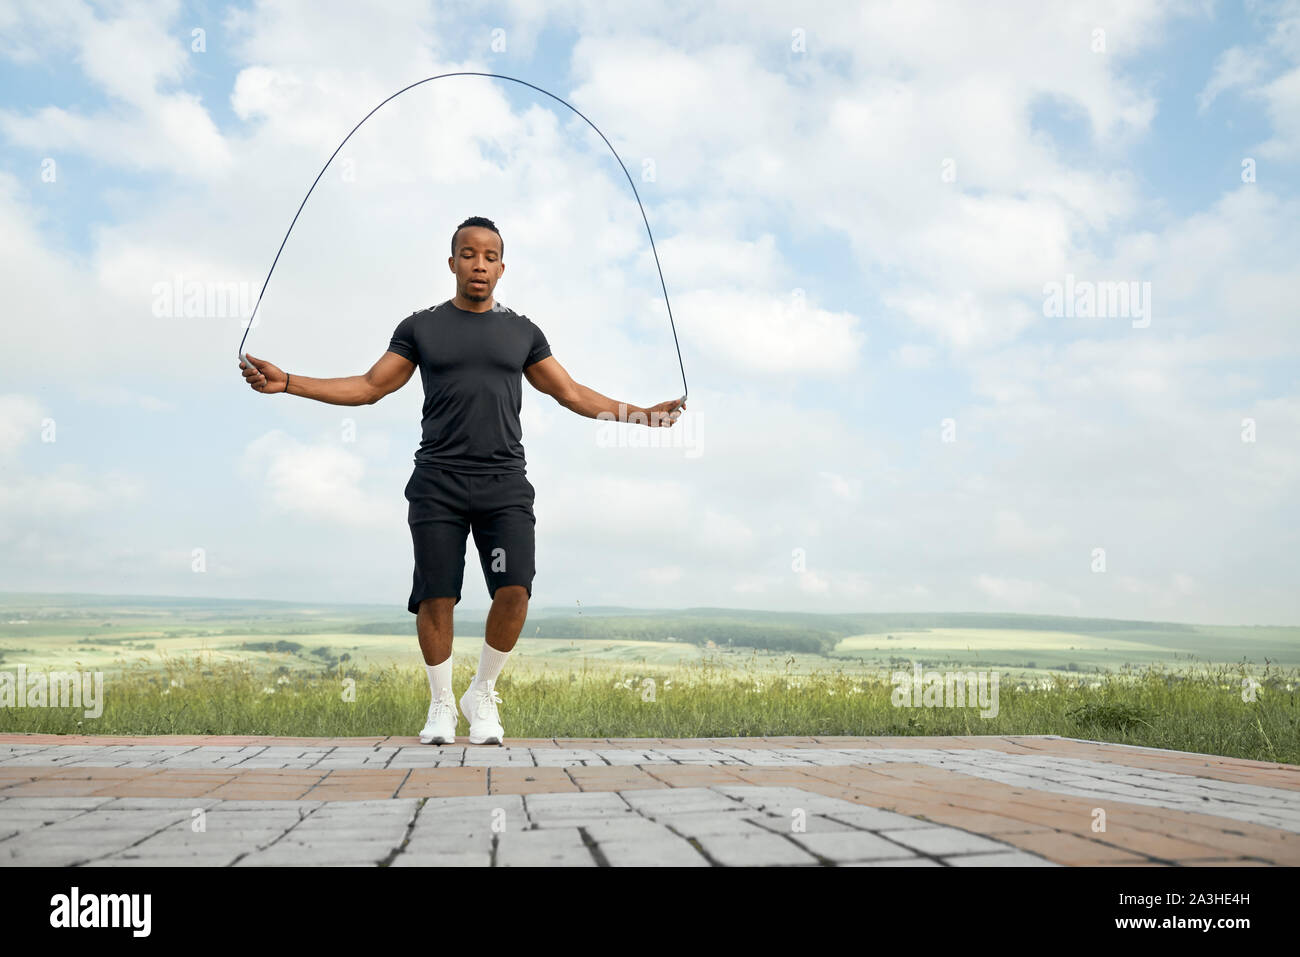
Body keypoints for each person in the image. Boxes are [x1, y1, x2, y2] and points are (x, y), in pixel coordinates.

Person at [239, 215, 686, 746]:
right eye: (468, 254)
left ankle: (482, 693)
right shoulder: (421, 327)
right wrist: (288, 382)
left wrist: (642, 416)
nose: (479, 264)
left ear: (502, 267)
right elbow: (368, 387)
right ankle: (442, 706)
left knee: (515, 587)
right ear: (452, 263)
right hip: (438, 482)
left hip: (504, 483)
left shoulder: (522, 331)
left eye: (490, 256)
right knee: (437, 595)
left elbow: (571, 394)